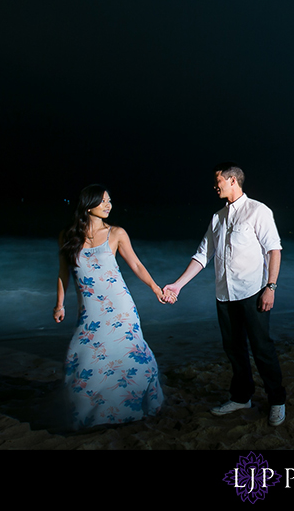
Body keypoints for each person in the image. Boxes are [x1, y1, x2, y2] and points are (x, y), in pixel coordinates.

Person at [162, 162, 286, 426]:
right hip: (224, 294)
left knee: (262, 348)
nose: (214, 185)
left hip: (253, 292)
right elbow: (202, 255)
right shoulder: (217, 217)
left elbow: (274, 250)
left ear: (232, 180)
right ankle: (242, 397)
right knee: (234, 349)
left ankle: (277, 400)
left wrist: (271, 287)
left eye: (218, 180)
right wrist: (178, 285)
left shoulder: (258, 211)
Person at [53, 184, 170, 430]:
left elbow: (136, 265)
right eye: (103, 201)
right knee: (82, 357)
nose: (109, 205)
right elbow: (63, 273)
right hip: (90, 310)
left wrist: (155, 288)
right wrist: (59, 305)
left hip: (120, 306)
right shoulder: (67, 235)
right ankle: (91, 413)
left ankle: (134, 407)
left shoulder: (116, 233)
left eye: (109, 201)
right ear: (88, 204)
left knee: (130, 355)